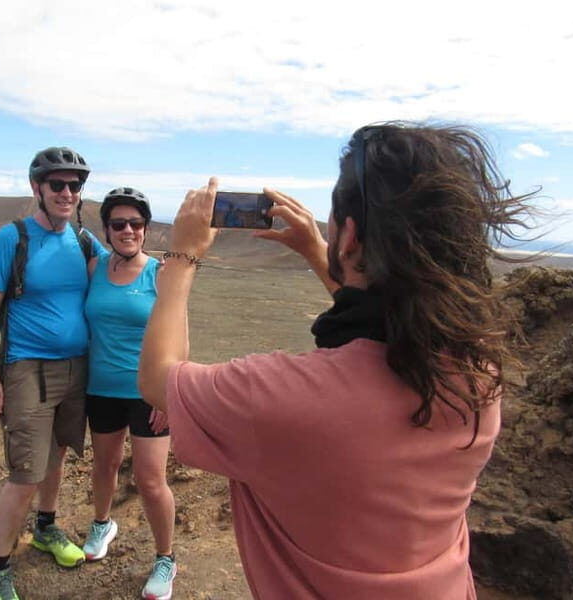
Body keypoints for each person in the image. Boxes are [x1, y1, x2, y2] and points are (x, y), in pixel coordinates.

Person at [138, 123, 536, 599]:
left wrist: (181, 255)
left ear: (348, 237)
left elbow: (158, 380)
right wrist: (315, 249)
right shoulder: (477, 372)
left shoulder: (284, 399)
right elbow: (387, 323)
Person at [0, 147, 106, 600]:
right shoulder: (11, 239)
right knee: (26, 472)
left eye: (75, 186)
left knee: (59, 454)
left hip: (78, 368)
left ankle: (47, 528)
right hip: (26, 367)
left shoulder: (85, 241)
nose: (67, 193)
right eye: (57, 185)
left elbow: (120, 272)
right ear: (37, 189)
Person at [81, 187, 178, 600]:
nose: (127, 230)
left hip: (148, 393)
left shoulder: (160, 274)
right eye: (118, 224)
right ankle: (103, 523)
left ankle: (165, 559)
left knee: (150, 479)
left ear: (147, 229)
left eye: (135, 223)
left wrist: (170, 395)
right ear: (107, 230)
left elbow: (176, 337)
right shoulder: (95, 268)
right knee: (105, 464)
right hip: (101, 388)